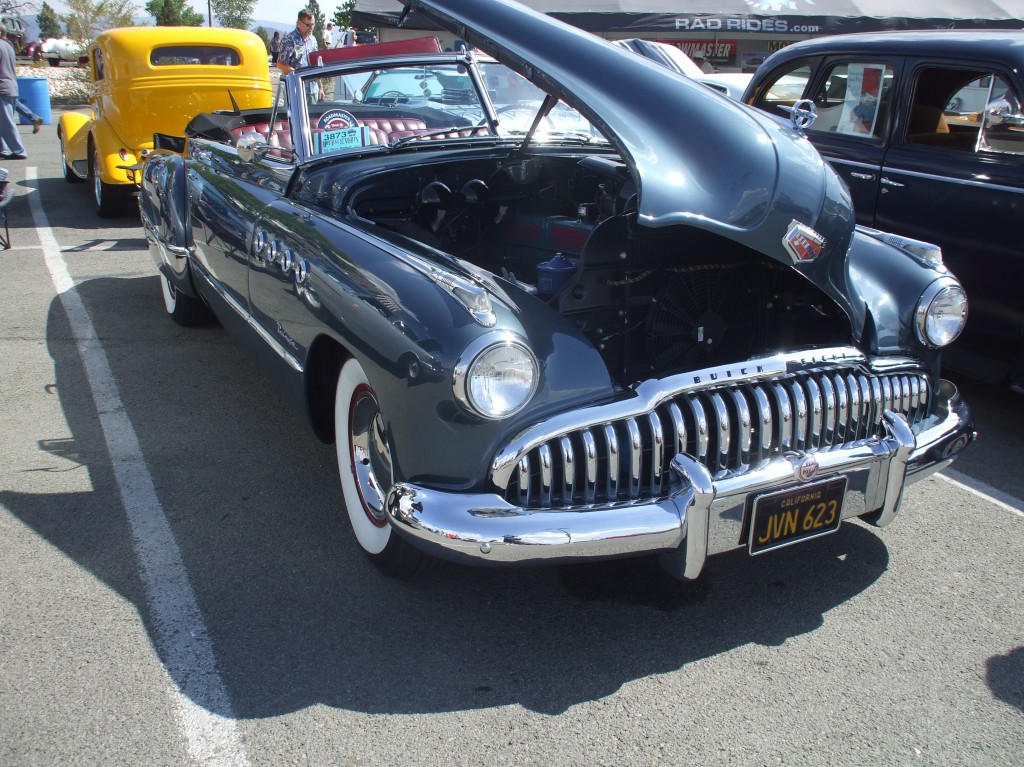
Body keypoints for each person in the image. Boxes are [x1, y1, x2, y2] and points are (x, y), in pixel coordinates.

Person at [0, 23, 26, 160]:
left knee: (6, 122)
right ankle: (2, 149)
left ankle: (19, 150)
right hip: (11, 86)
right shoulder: (8, 46)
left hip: (2, 87)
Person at [277, 9, 318, 76]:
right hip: (295, 84)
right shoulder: (289, 40)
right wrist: (299, 75)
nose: (311, 28)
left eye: (313, 24)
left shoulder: (313, 40)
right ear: (300, 23)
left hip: (312, 84)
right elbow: (280, 64)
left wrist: (319, 84)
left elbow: (315, 62)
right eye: (308, 25)